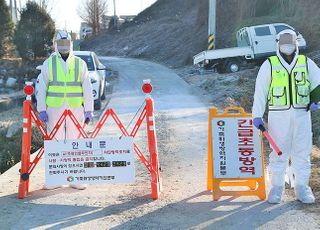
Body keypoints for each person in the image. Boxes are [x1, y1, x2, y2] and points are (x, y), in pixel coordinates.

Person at [252, 29, 320, 204]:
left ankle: (302, 187)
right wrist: (257, 115)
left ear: (296, 43)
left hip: (301, 114)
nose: (287, 47)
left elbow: (318, 83)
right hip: (278, 116)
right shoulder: (269, 64)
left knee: (302, 152)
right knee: (278, 152)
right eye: (284, 43)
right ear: (278, 44)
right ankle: (277, 187)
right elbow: (260, 91)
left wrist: (316, 100)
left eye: (290, 43)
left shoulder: (306, 63)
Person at [37, 30, 94, 190]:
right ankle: (55, 180)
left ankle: (76, 178)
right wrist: (41, 108)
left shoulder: (79, 63)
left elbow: (87, 87)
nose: (63, 47)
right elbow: (42, 87)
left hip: (75, 107)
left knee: (75, 142)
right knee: (55, 142)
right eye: (60, 44)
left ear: (71, 44)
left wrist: (89, 110)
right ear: (55, 45)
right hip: (54, 108)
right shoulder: (49, 63)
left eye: (66, 43)